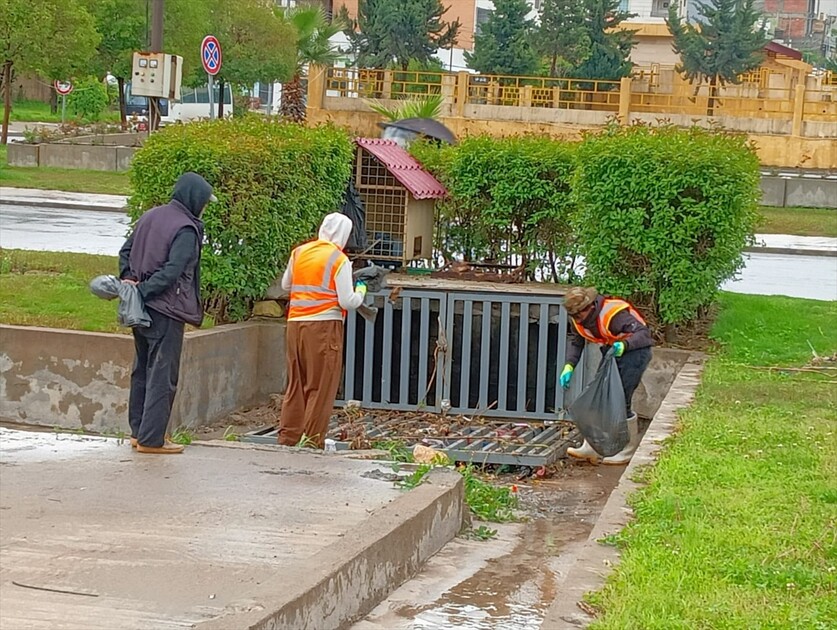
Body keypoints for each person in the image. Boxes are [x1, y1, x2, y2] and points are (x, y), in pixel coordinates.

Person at [119, 172, 216, 455]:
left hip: (140, 309)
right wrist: (144, 289)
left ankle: (139, 432)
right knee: (163, 374)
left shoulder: (151, 216)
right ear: (194, 199)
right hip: (166, 309)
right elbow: (174, 272)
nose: (205, 207)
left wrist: (131, 283)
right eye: (204, 202)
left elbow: (125, 251)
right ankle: (153, 439)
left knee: (142, 370)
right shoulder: (186, 228)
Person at [278, 213, 367, 448]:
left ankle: (288, 438)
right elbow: (348, 301)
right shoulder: (339, 260)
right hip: (324, 328)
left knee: (295, 383)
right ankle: (311, 442)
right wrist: (362, 291)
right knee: (320, 387)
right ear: (344, 235)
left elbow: (286, 285)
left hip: (295, 325)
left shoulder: (299, 252)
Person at [560, 287, 653, 465]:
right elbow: (577, 342)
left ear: (590, 307)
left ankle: (626, 450)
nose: (577, 320)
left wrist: (625, 345)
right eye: (574, 316)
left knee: (620, 399)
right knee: (599, 396)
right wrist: (569, 365)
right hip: (613, 352)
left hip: (635, 353)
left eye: (579, 315)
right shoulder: (578, 319)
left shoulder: (613, 314)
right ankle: (592, 447)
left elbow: (644, 335)